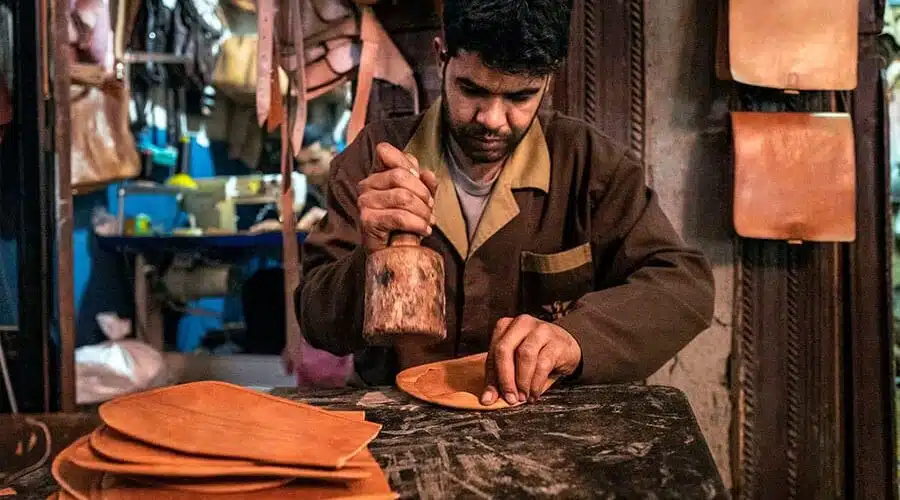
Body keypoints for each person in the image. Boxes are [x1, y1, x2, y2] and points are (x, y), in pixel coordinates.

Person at [297, 0, 715, 406]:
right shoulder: (374, 155)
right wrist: (370, 260)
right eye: (472, 89)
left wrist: (576, 338)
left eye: (520, 97)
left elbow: (683, 285)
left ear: (548, 80)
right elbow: (316, 322)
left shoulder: (590, 164)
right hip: (399, 418)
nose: (492, 119)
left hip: (537, 422)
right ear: (442, 55)